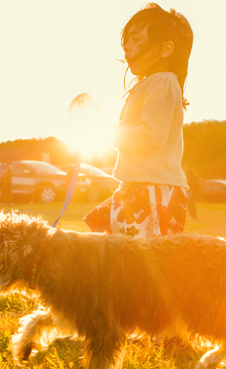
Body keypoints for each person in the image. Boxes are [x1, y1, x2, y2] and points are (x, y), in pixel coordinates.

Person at [83, 3, 194, 238]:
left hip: (151, 189)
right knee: (124, 259)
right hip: (140, 185)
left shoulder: (162, 82)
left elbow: (150, 137)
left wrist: (104, 131)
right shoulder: (151, 84)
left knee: (138, 264)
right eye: (126, 40)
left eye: (135, 39)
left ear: (165, 49)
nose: (126, 46)